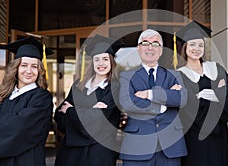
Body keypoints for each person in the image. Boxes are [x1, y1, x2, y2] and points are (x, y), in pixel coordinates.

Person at [118, 29, 188, 166]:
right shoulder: (126, 76)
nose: (150, 47)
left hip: (170, 146)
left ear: (161, 50)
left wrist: (149, 94)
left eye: (155, 43)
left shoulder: (174, 75)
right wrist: (163, 104)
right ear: (138, 48)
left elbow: (182, 99)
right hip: (137, 147)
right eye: (145, 43)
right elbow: (127, 102)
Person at [54, 34, 122, 166]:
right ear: (92, 62)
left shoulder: (115, 88)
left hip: (98, 153)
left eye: (105, 59)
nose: (101, 64)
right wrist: (90, 112)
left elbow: (98, 122)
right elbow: (59, 117)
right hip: (70, 153)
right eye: (97, 59)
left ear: (112, 62)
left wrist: (70, 110)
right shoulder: (79, 85)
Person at [175, 21, 228, 166]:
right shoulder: (179, 75)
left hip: (219, 136)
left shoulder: (216, 69)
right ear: (185, 47)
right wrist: (218, 93)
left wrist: (212, 95)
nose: (197, 49)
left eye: (200, 45)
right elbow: (185, 108)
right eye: (192, 44)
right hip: (194, 137)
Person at [0, 36, 53, 166]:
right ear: (16, 68)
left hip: (27, 161)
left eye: (34, 66)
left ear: (39, 70)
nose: (28, 71)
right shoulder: (5, 95)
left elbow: (19, 129)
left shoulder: (42, 98)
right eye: (24, 65)